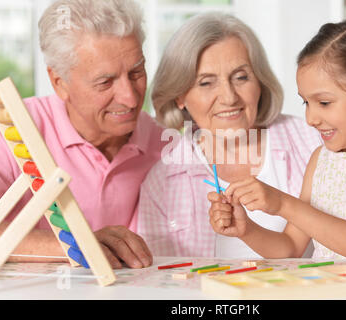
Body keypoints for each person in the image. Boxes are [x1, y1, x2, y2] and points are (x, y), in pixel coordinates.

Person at [208, 19, 346, 263]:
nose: (310, 118)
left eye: (324, 103)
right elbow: (291, 248)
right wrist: (247, 230)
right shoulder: (320, 159)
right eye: (306, 102)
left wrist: (282, 203)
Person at [0, 0, 164, 269]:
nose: (130, 99)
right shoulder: (13, 130)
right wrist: (78, 245)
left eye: (136, 72)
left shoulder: (164, 144)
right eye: (105, 82)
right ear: (59, 83)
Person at [137, 12, 322, 258]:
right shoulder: (161, 183)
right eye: (206, 83)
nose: (229, 97)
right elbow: (162, 283)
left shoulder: (312, 142)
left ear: (260, 81)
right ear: (180, 96)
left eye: (241, 77)